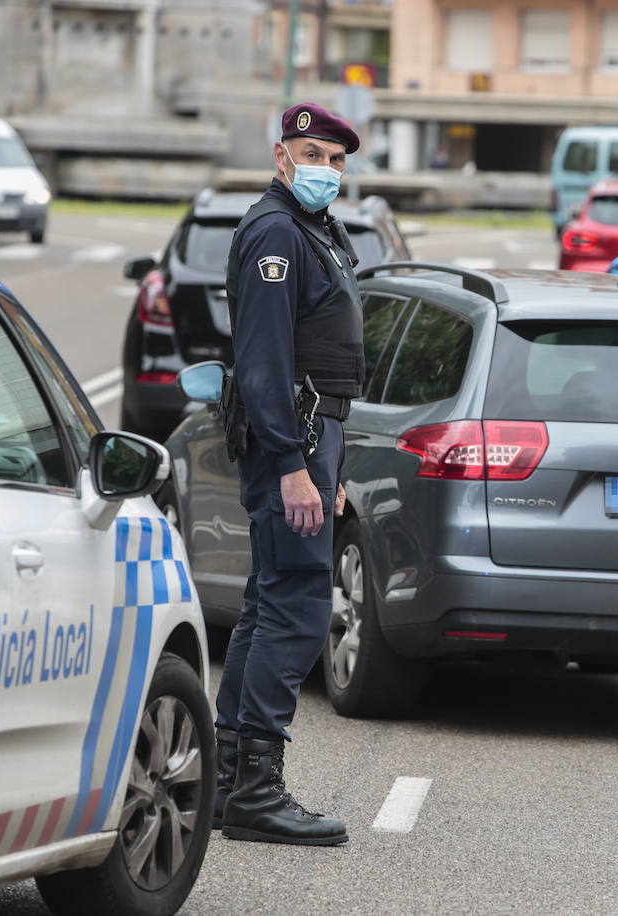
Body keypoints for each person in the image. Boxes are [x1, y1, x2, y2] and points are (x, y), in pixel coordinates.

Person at [213, 101, 364, 847]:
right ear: (281, 159)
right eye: (313, 155)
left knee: (270, 601)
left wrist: (325, 464)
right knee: (299, 606)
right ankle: (255, 791)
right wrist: (293, 466)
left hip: (313, 436)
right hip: (294, 437)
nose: (326, 172)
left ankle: (223, 779)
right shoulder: (277, 230)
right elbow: (265, 361)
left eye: (337, 161)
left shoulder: (310, 229)